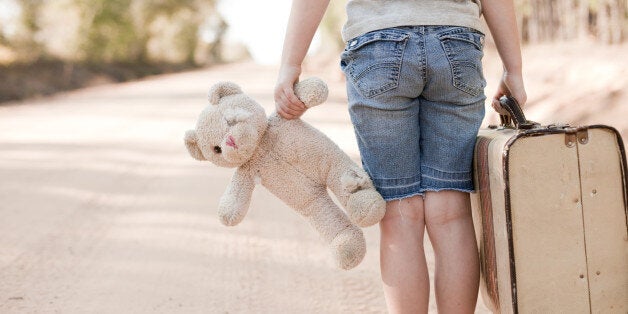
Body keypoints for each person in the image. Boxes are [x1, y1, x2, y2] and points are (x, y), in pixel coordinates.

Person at [274, 0, 527, 313]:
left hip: (377, 44)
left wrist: (291, 64)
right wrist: (513, 69)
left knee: (399, 214)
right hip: (456, 44)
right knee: (450, 211)